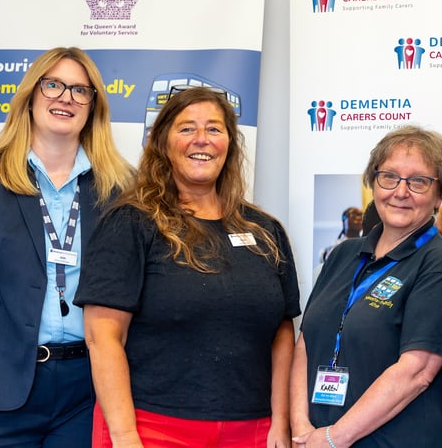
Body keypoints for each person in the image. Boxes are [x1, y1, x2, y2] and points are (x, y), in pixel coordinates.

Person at [74, 86, 301, 448]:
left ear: (229, 144)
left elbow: (282, 333)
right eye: (186, 128)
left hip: (253, 430)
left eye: (214, 129)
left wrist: (280, 424)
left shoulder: (265, 230)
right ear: (162, 143)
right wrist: (125, 436)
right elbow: (103, 336)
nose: (202, 139)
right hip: (152, 428)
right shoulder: (131, 223)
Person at [0, 46, 133, 447]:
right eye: (53, 85)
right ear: (31, 95)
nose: (65, 98)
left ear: (93, 106)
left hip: (86, 392)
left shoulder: (118, 190)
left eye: (80, 90)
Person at [290, 125, 442, 448]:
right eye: (389, 177)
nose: (401, 192)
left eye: (418, 181)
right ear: (373, 183)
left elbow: (416, 373)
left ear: (439, 194)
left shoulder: (441, 266)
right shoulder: (343, 255)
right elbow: (305, 343)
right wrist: (302, 429)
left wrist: (333, 438)